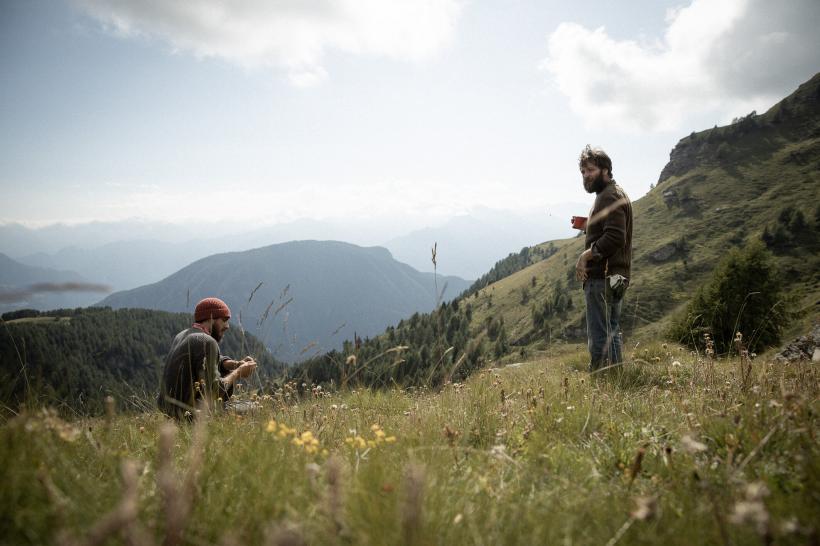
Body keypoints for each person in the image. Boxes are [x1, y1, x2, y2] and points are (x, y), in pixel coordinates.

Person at [574, 145, 633, 371]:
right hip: (616, 276)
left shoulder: (608, 196)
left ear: (605, 170)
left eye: (591, 170)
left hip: (603, 277)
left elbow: (615, 237)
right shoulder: (613, 193)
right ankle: (616, 376)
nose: (586, 176)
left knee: (600, 335)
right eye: (583, 172)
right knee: (611, 331)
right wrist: (589, 225)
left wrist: (585, 256)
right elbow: (612, 229)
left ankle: (602, 378)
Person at [158, 297, 257, 418]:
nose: (227, 326)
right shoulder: (207, 341)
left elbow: (206, 360)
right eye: (224, 320)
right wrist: (238, 372)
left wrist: (235, 364)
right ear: (211, 318)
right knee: (254, 407)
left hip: (169, 412)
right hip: (192, 415)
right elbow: (214, 391)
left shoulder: (183, 335)